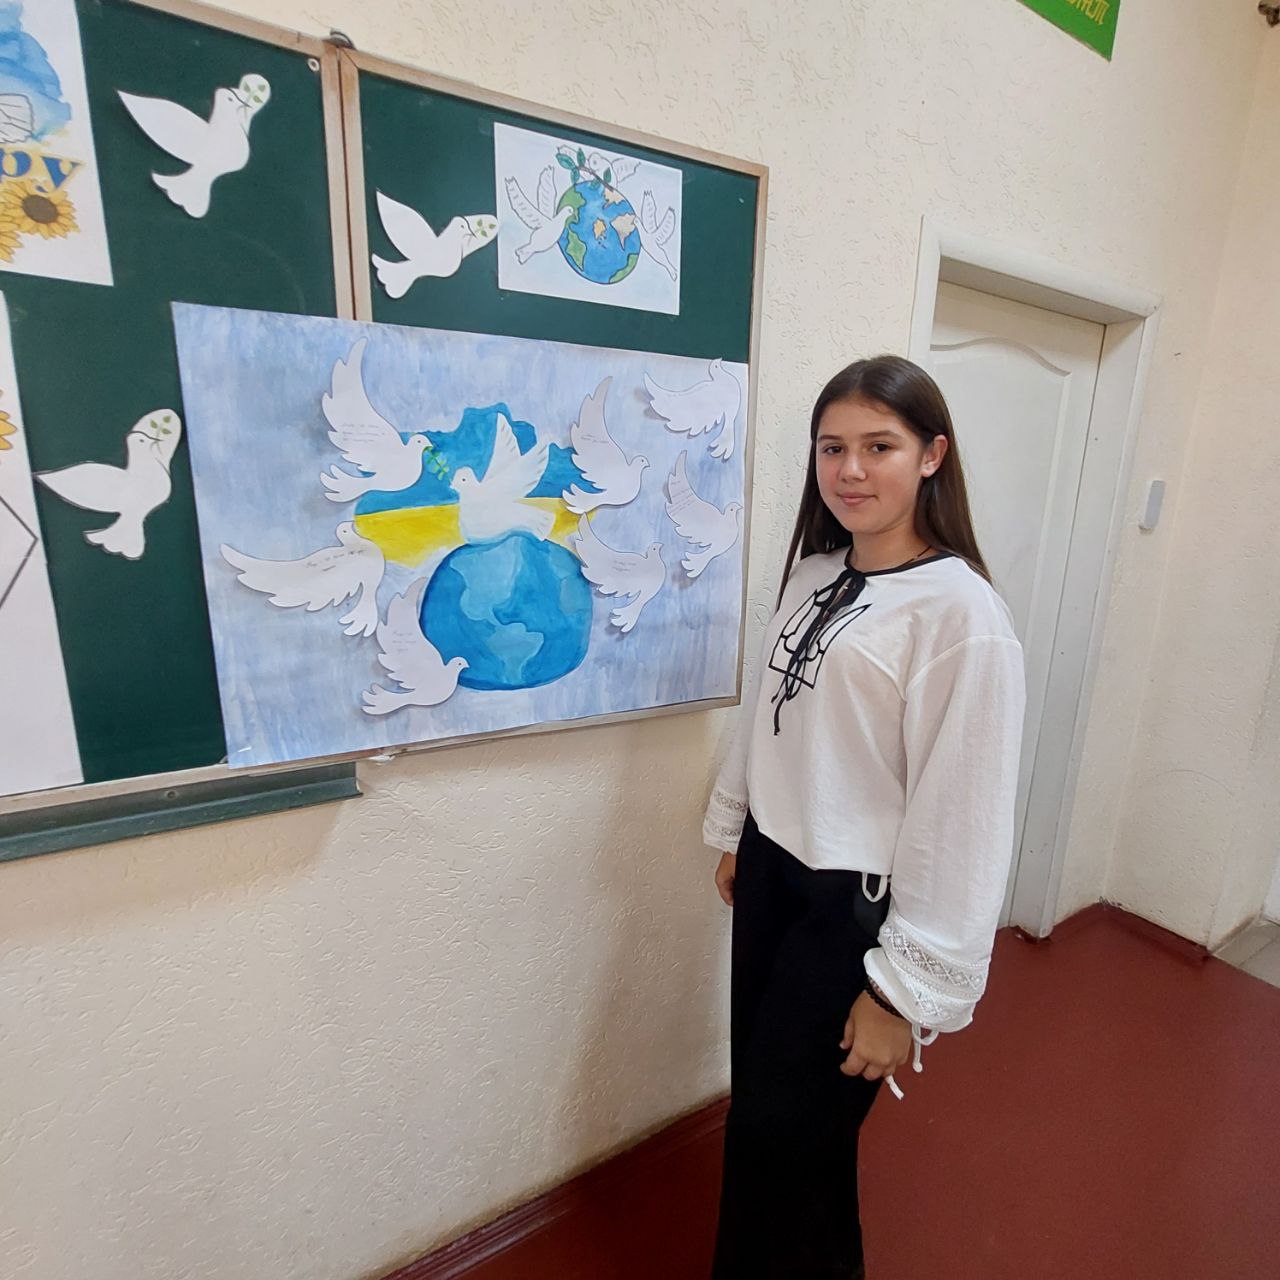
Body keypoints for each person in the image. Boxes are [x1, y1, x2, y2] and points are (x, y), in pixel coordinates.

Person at [704, 355, 1026, 1278]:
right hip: (775, 873)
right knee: (774, 1132)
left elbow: (964, 818)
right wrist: (739, 827)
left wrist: (899, 997)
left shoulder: (962, 616)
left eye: (878, 447)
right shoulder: (813, 573)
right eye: (831, 447)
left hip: (855, 908)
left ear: (932, 456)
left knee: (783, 1137)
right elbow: (768, 714)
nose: (849, 470)